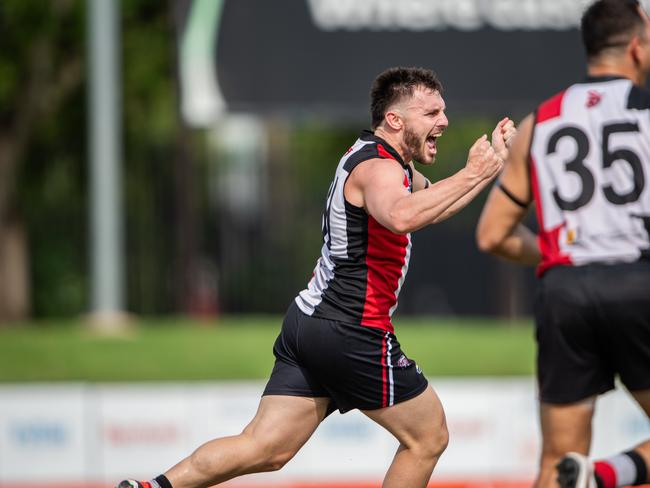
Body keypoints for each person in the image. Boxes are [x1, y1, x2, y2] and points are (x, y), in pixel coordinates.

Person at [117, 66, 513, 488]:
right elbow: (401, 216)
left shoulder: (376, 158)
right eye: (432, 112)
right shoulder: (379, 169)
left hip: (309, 323)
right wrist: (473, 173)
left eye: (444, 111)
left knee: (265, 447)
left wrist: (487, 171)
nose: (444, 121)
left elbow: (432, 205)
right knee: (428, 437)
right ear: (395, 120)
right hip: (352, 329)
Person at [476, 1, 650, 487]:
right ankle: (609, 476)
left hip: (565, 292)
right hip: (637, 282)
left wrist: (556, 254)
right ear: (636, 47)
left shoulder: (541, 122)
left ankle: (585, 476)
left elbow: (492, 235)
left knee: (557, 460)